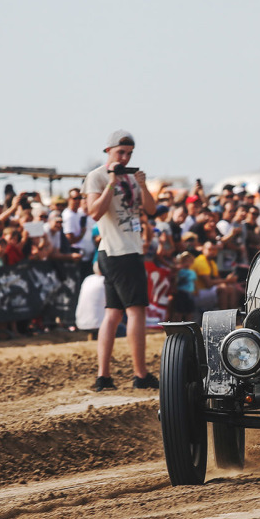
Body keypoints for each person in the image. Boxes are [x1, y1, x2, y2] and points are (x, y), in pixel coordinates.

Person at [85, 129, 158, 392]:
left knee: (113, 314)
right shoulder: (97, 176)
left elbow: (150, 209)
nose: (125, 158)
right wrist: (111, 183)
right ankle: (140, 374)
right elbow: (94, 212)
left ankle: (103, 376)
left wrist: (143, 185)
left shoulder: (130, 177)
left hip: (126, 249)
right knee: (136, 311)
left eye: (128, 153)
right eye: (120, 152)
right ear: (109, 151)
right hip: (118, 251)